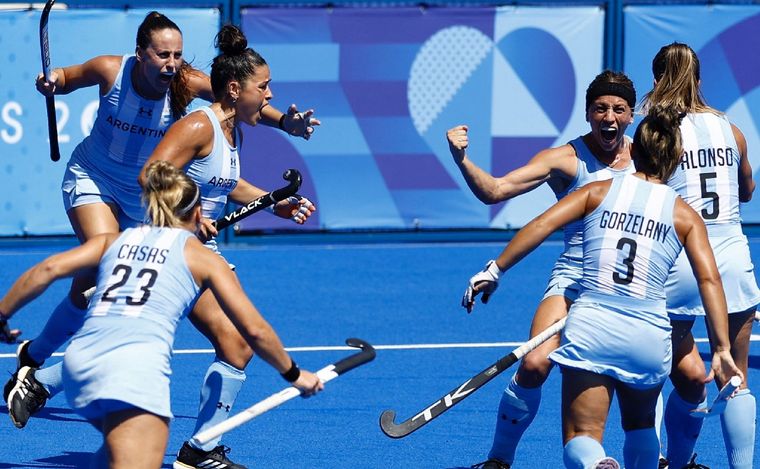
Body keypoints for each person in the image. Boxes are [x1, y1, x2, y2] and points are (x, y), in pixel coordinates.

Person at [5, 12, 317, 468]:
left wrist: (276, 179)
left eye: (177, 54)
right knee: (96, 277)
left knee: (224, 344)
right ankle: (39, 366)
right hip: (106, 185)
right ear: (141, 53)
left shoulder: (209, 104)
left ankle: (194, 448)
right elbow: (153, 170)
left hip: (160, 218)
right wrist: (52, 81)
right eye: (163, 54)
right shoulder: (136, 85)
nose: (172, 63)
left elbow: (229, 163)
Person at [462, 105, 742, 469]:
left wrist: (495, 270)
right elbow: (709, 279)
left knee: (583, 436)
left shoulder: (597, 191)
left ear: (633, 151)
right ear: (675, 160)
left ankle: (596, 464)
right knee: (642, 429)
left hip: (594, 324)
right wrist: (721, 348)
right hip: (649, 334)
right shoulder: (685, 214)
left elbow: (541, 225)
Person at [0, 160, 323, 469]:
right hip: (134, 374)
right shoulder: (203, 259)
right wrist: (295, 375)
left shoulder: (115, 240)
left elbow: (48, 269)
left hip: (78, 368)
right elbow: (254, 331)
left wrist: (1, 314)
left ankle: (40, 382)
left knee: (114, 453)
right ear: (199, 213)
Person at [135, 24, 315, 469]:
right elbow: (151, 176)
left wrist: (270, 205)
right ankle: (41, 378)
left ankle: (200, 449)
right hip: (171, 248)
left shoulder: (235, 132)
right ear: (235, 89)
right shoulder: (200, 125)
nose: (270, 96)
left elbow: (225, 183)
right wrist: (192, 216)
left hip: (195, 252)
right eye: (264, 87)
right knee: (230, 344)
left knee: (233, 347)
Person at [447, 70, 636, 468]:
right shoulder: (565, 160)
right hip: (574, 278)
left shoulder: (648, 159)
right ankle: (499, 459)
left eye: (619, 109)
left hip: (631, 283)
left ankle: (656, 456)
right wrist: (461, 159)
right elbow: (495, 191)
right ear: (587, 113)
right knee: (534, 364)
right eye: (600, 108)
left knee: (646, 371)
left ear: (631, 115)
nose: (609, 117)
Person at [640, 42, 760, 469]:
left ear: (656, 80)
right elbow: (747, 190)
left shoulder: (655, 129)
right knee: (737, 377)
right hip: (730, 257)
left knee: (653, 375)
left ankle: (655, 459)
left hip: (680, 260)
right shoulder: (731, 129)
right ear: (700, 80)